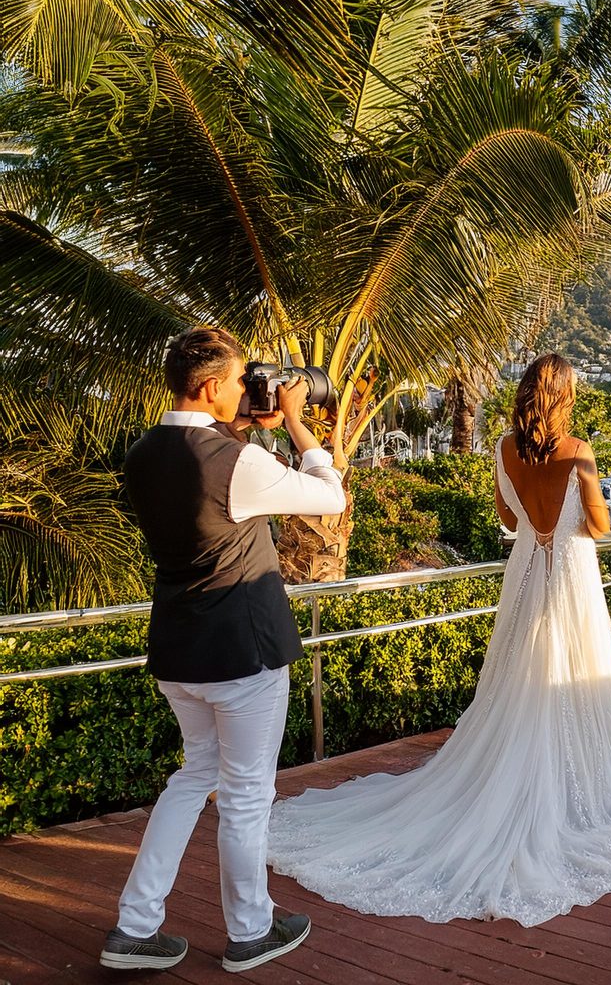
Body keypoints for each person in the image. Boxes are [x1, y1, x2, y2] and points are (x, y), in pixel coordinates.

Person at [265, 354, 611, 926]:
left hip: (525, 570)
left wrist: (541, 517)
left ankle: (519, 769)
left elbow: (507, 519)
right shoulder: (578, 451)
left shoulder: (505, 449)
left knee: (520, 670)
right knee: (567, 670)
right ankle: (564, 785)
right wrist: (576, 507)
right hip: (570, 575)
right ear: (562, 396)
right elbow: (602, 525)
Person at [100, 327, 347, 974]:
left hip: (179, 651)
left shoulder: (143, 452)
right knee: (244, 798)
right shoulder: (238, 463)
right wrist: (294, 423)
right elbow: (329, 499)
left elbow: (206, 481)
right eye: (241, 381)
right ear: (211, 387)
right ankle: (250, 932)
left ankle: (134, 926)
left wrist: (241, 428)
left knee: (192, 778)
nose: (249, 391)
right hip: (242, 652)